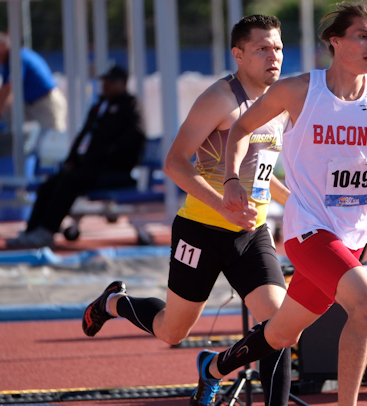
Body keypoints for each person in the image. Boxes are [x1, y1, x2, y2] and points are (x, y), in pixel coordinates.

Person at [193, 2, 367, 405]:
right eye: (363, 36)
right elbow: (242, 128)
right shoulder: (299, 90)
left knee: (283, 333)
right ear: (335, 41)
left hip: (351, 236)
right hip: (308, 230)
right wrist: (231, 179)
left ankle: (213, 366)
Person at [80, 15, 293, 406]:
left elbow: (260, 172)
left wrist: (292, 200)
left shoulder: (278, 102)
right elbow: (175, 163)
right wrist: (223, 206)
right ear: (239, 54)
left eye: (278, 47)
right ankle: (114, 302)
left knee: (279, 327)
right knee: (171, 331)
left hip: (251, 233)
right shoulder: (219, 99)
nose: (273, 56)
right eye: (262, 48)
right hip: (201, 229)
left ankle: (216, 370)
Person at [6, 65, 146, 249]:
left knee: (70, 181)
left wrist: (110, 151)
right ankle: (32, 231)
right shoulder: (100, 106)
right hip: (90, 166)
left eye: (110, 82)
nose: (105, 86)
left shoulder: (130, 105)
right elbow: (84, 135)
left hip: (113, 169)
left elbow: (136, 135)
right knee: (50, 184)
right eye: (104, 82)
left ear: (121, 84)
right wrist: (72, 159)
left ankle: (47, 231)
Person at [0, 32, 68, 163]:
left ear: (3, 46)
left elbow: (11, 88)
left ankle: (58, 171)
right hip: (28, 104)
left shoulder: (17, 56)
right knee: (9, 118)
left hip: (47, 101)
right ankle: (13, 155)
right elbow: (4, 91)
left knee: (54, 138)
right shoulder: (6, 61)